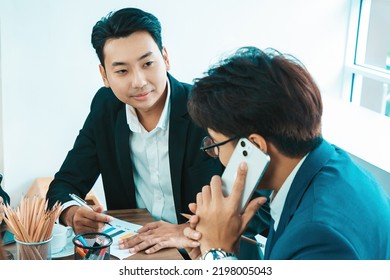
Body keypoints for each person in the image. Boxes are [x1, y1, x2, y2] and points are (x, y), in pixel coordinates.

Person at [45, 7, 225, 255]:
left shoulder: (209, 109)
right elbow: (64, 185)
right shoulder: (105, 108)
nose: (139, 81)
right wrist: (71, 213)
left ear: (166, 58)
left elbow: (259, 210)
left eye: (148, 63)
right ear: (104, 75)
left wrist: (185, 230)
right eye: (122, 71)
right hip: (136, 253)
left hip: (202, 253)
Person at [183, 46, 390, 260]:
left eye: (216, 144)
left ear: (253, 146)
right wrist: (216, 248)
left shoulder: (319, 234)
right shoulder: (329, 164)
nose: (218, 155)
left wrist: (217, 254)